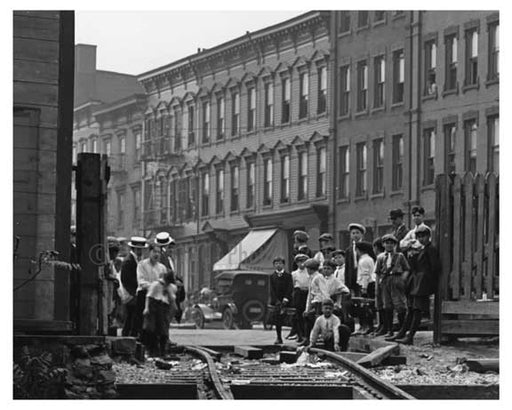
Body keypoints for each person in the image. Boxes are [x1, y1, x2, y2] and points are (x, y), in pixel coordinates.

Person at [394, 225, 441, 345]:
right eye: (419, 237)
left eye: (423, 236)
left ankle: (410, 337)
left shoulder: (430, 249)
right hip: (417, 282)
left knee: (417, 310)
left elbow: (434, 267)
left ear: (429, 236)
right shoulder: (423, 249)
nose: (421, 239)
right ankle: (403, 332)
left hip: (423, 283)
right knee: (411, 309)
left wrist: (428, 282)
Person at [372, 235, 410, 338]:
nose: (389, 245)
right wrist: (377, 286)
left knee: (400, 305)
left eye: (392, 243)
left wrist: (402, 279)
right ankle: (389, 330)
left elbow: (407, 269)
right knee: (387, 305)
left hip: (396, 279)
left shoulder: (400, 256)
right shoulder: (380, 257)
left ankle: (402, 330)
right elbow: (377, 272)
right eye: (387, 243)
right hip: (385, 280)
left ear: (395, 244)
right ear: (383, 244)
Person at [133, 243, 167, 338]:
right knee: (141, 320)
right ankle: (140, 339)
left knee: (157, 321)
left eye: (159, 252)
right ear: (149, 252)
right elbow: (141, 282)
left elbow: (164, 283)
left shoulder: (162, 268)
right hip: (143, 295)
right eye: (154, 252)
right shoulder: (142, 265)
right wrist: (154, 286)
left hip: (156, 297)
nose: (156, 254)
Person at [142, 270, 177, 357]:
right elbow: (149, 296)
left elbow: (172, 299)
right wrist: (146, 308)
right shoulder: (156, 285)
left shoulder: (170, 287)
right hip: (154, 305)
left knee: (163, 330)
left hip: (164, 307)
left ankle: (162, 351)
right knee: (152, 329)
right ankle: (152, 351)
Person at [120, 236, 148, 337]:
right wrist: (133, 293)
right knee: (132, 316)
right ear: (134, 249)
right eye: (138, 249)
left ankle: (130, 335)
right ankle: (128, 335)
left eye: (141, 249)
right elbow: (125, 280)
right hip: (131, 294)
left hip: (134, 293)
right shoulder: (129, 261)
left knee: (133, 317)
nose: (140, 251)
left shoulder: (136, 260)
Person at [299, 258, 329, 346]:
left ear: (310, 269)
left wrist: (326, 304)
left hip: (320, 302)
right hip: (314, 302)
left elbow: (324, 291)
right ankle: (307, 338)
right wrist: (307, 309)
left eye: (307, 268)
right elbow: (310, 294)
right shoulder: (311, 278)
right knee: (307, 317)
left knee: (317, 321)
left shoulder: (318, 277)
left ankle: (317, 339)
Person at [269, 256, 293, 345]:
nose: (278, 265)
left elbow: (290, 288)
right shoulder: (272, 276)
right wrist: (276, 300)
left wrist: (286, 298)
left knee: (290, 318)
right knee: (276, 319)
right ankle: (278, 337)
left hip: (287, 300)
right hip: (276, 302)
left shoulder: (288, 276)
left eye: (280, 263)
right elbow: (271, 290)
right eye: (276, 263)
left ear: (283, 265)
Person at [353, 241, 376, 334]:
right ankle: (367, 326)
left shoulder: (364, 260)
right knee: (367, 306)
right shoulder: (368, 259)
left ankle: (368, 326)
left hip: (367, 284)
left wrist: (364, 287)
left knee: (366, 306)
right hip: (367, 284)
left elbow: (365, 275)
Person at [287, 253, 310, 342]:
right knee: (298, 315)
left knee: (307, 315)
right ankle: (300, 335)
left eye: (304, 261)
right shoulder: (294, 274)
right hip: (298, 293)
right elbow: (292, 285)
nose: (302, 264)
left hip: (307, 293)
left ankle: (306, 334)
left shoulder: (309, 272)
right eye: (300, 262)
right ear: (296, 263)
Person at [344, 223, 366, 293]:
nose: (355, 235)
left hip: (363, 275)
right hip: (353, 276)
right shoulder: (349, 250)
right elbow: (347, 267)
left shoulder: (366, 247)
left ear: (362, 234)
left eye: (357, 233)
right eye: (353, 233)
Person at [372, 237, 385, 335]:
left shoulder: (380, 257)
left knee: (381, 305)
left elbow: (377, 273)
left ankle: (383, 325)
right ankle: (381, 325)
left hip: (380, 283)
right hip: (380, 282)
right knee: (380, 305)